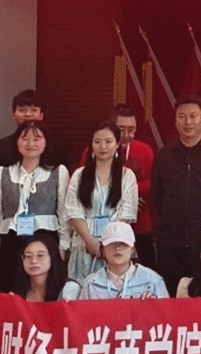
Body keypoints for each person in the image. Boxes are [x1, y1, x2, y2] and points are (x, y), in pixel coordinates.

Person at [151, 95, 201, 293]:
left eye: (193, 116)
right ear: (175, 120)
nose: (187, 122)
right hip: (171, 245)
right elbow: (157, 198)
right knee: (172, 299)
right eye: (181, 116)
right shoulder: (163, 155)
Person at [0, 120, 68, 293]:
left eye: (37, 138)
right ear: (16, 141)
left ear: (46, 142)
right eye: (25, 138)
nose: (31, 144)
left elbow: (64, 214)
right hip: (11, 241)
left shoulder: (58, 172)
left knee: (44, 291)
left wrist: (63, 247)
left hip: (46, 241)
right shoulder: (2, 172)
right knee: (11, 291)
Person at [64, 121, 138, 283]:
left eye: (108, 141)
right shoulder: (79, 175)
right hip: (84, 245)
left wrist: (107, 244)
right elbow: (73, 211)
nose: (103, 147)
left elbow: (126, 213)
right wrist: (91, 242)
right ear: (91, 145)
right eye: (97, 142)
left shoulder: (127, 176)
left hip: (115, 245)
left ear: (117, 144)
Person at [109, 105, 157, 268]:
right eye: (121, 129)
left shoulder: (145, 150)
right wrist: (127, 195)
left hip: (140, 222)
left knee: (147, 268)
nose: (126, 135)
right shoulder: (98, 148)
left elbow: (153, 182)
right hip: (107, 220)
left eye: (131, 130)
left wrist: (134, 193)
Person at [0, 89, 69, 181]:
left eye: (33, 110)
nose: (28, 114)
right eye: (22, 110)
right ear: (14, 115)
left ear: (41, 115)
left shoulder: (57, 147)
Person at [79, 221, 169, 299]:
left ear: (132, 249)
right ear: (103, 250)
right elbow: (81, 313)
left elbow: (166, 312)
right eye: (112, 244)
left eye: (123, 244)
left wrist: (155, 306)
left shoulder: (153, 281)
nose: (117, 248)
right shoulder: (91, 285)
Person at [10, 230, 80, 302]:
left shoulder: (69, 288)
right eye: (28, 256)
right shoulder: (17, 293)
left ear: (53, 257)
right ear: (22, 259)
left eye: (40, 255)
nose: (34, 261)